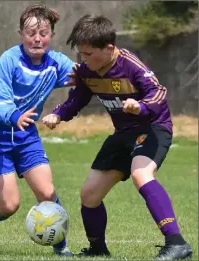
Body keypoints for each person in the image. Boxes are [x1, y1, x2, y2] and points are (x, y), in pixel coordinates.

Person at [42, 14, 193, 260]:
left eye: (88, 54)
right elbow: (76, 99)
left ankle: (177, 243)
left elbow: (158, 93)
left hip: (152, 128)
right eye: (81, 53)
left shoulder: (131, 66)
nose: (83, 59)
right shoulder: (86, 71)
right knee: (89, 194)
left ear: (109, 48)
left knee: (140, 174)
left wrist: (140, 106)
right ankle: (97, 249)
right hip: (123, 134)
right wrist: (58, 115)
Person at [0, 4, 75, 257]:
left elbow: (84, 76)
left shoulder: (56, 63)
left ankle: (61, 247)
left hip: (26, 135)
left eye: (43, 32)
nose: (37, 38)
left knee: (47, 192)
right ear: (21, 33)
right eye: (31, 33)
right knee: (9, 205)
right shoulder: (8, 60)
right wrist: (14, 115)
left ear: (51, 35)